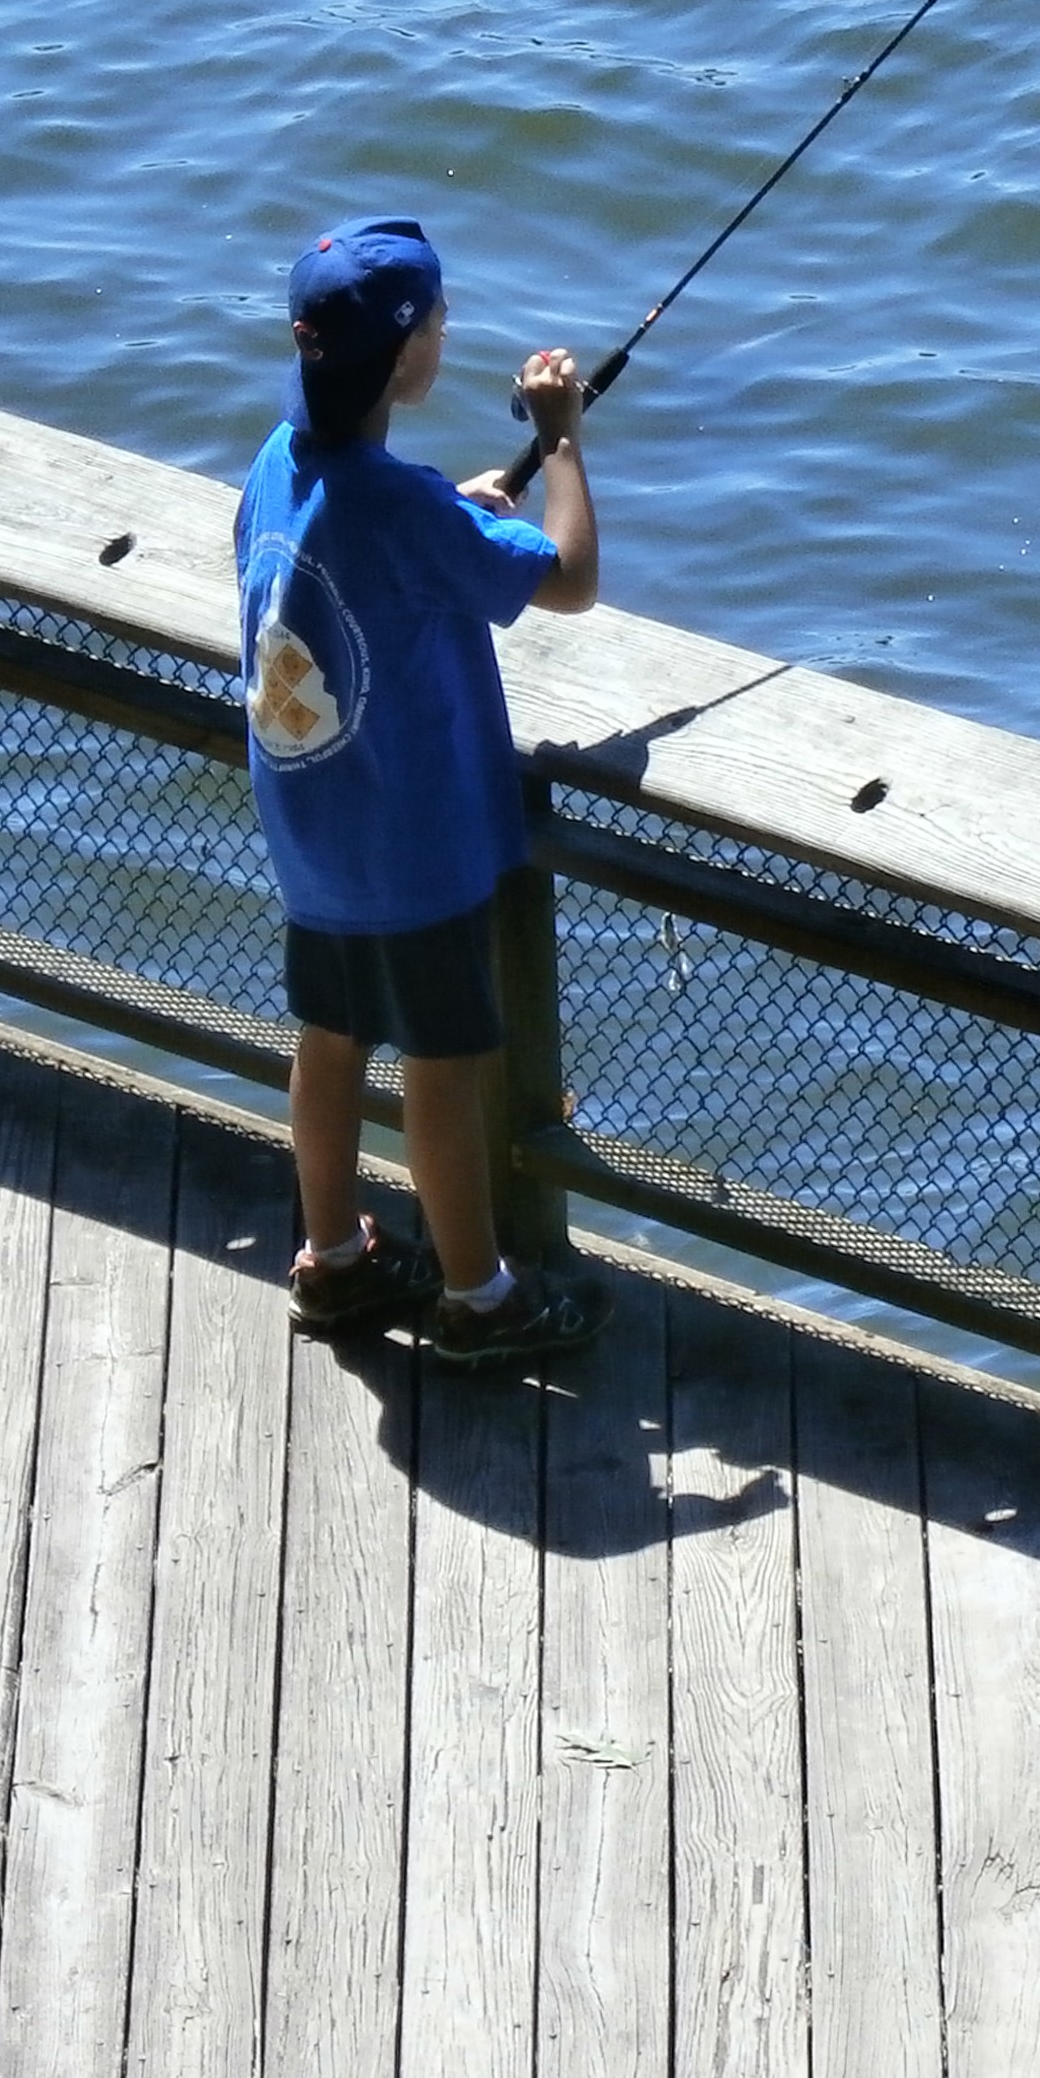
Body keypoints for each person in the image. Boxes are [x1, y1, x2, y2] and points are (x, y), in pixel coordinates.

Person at [237, 217, 612, 1367]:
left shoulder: (278, 462)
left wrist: (448, 506)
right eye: (439, 319)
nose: (446, 332)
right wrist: (561, 444)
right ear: (407, 355)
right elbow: (571, 580)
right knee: (444, 1070)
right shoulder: (405, 511)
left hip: (314, 830)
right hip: (414, 845)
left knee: (330, 1038)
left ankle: (334, 1258)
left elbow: (364, 531)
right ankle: (477, 1295)